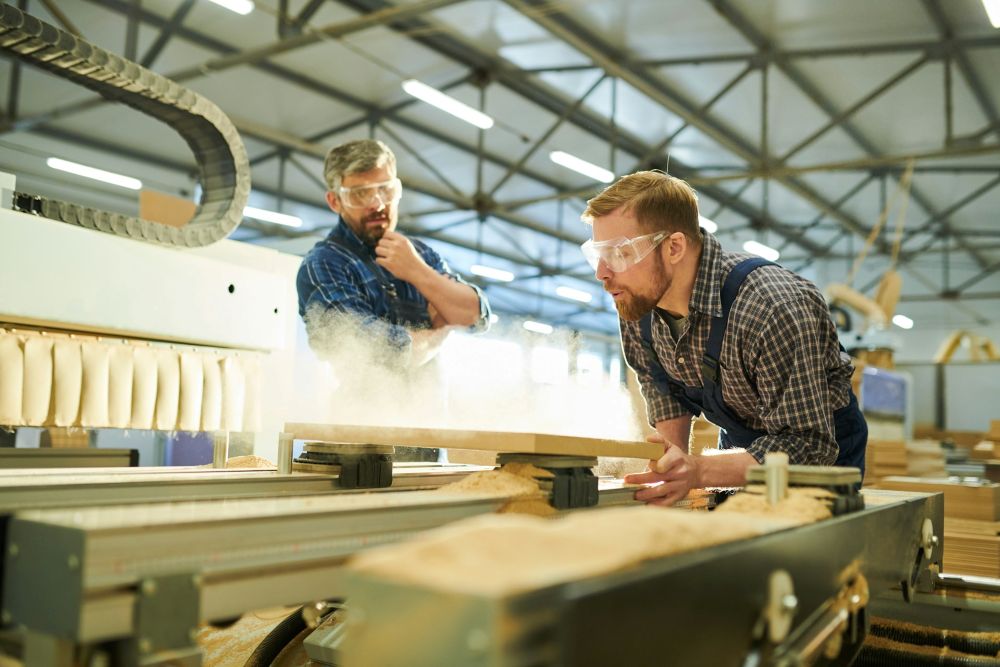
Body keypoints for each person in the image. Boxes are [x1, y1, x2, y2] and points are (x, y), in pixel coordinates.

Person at [580, 171, 867, 506]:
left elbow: (809, 446)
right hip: (740, 446)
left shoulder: (771, 307)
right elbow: (660, 385)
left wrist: (699, 471)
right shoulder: (637, 299)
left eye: (620, 253)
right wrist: (672, 467)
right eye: (598, 254)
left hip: (817, 455)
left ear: (674, 247)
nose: (602, 272)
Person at [297, 139, 490, 365]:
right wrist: (440, 333)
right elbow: (379, 351)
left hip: (429, 400)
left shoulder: (421, 255)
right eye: (360, 194)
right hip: (361, 401)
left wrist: (418, 272)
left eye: (385, 190)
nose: (377, 204)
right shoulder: (325, 264)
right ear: (335, 201)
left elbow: (476, 317)